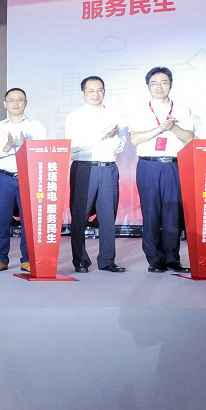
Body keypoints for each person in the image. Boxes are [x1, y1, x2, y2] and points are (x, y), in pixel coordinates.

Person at [129, 66, 194, 273]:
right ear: (148, 86)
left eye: (164, 82)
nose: (159, 87)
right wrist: (160, 128)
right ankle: (154, 259)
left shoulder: (182, 110)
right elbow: (134, 139)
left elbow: (190, 138)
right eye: (154, 83)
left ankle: (173, 259)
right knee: (150, 213)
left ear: (171, 84)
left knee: (172, 213)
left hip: (173, 165)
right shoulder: (140, 110)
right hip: (148, 165)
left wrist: (173, 127)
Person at [64, 76, 126, 273]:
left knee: (108, 216)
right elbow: (74, 146)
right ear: (83, 93)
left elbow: (121, 145)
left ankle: (107, 260)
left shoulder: (114, 114)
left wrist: (114, 137)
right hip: (84, 167)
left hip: (108, 167)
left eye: (100, 90)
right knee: (80, 215)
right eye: (91, 90)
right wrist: (101, 135)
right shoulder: (75, 116)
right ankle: (80, 259)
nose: (96, 94)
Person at [0, 88, 47, 273]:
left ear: (26, 103)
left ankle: (27, 259)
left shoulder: (36, 126)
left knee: (29, 220)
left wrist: (27, 147)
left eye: (20, 99)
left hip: (28, 177)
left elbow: (42, 152)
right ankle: (1, 259)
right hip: (4, 177)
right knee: (2, 220)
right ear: (5, 104)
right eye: (11, 100)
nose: (16, 103)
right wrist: (7, 147)